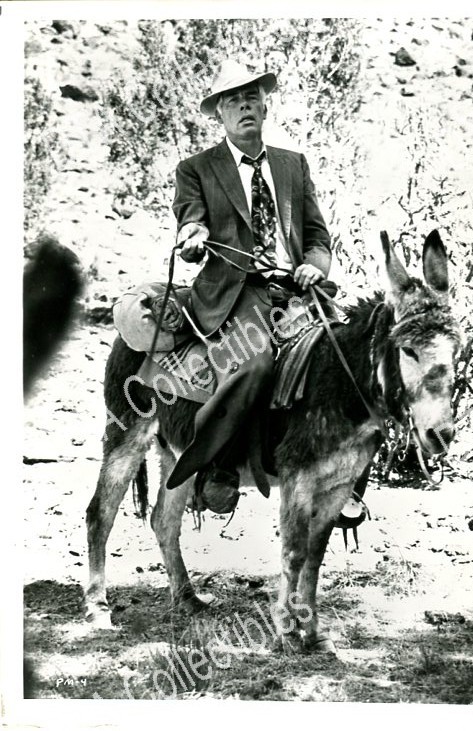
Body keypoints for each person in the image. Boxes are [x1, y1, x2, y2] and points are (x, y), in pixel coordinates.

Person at [166, 60, 332, 498]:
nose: (244, 106)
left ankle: (343, 476)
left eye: (251, 98)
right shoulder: (196, 169)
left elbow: (317, 235)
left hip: (295, 290)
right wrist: (193, 237)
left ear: (264, 107)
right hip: (236, 289)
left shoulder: (293, 164)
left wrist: (315, 265)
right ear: (219, 113)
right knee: (254, 363)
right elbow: (191, 219)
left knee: (346, 353)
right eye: (233, 101)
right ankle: (216, 465)